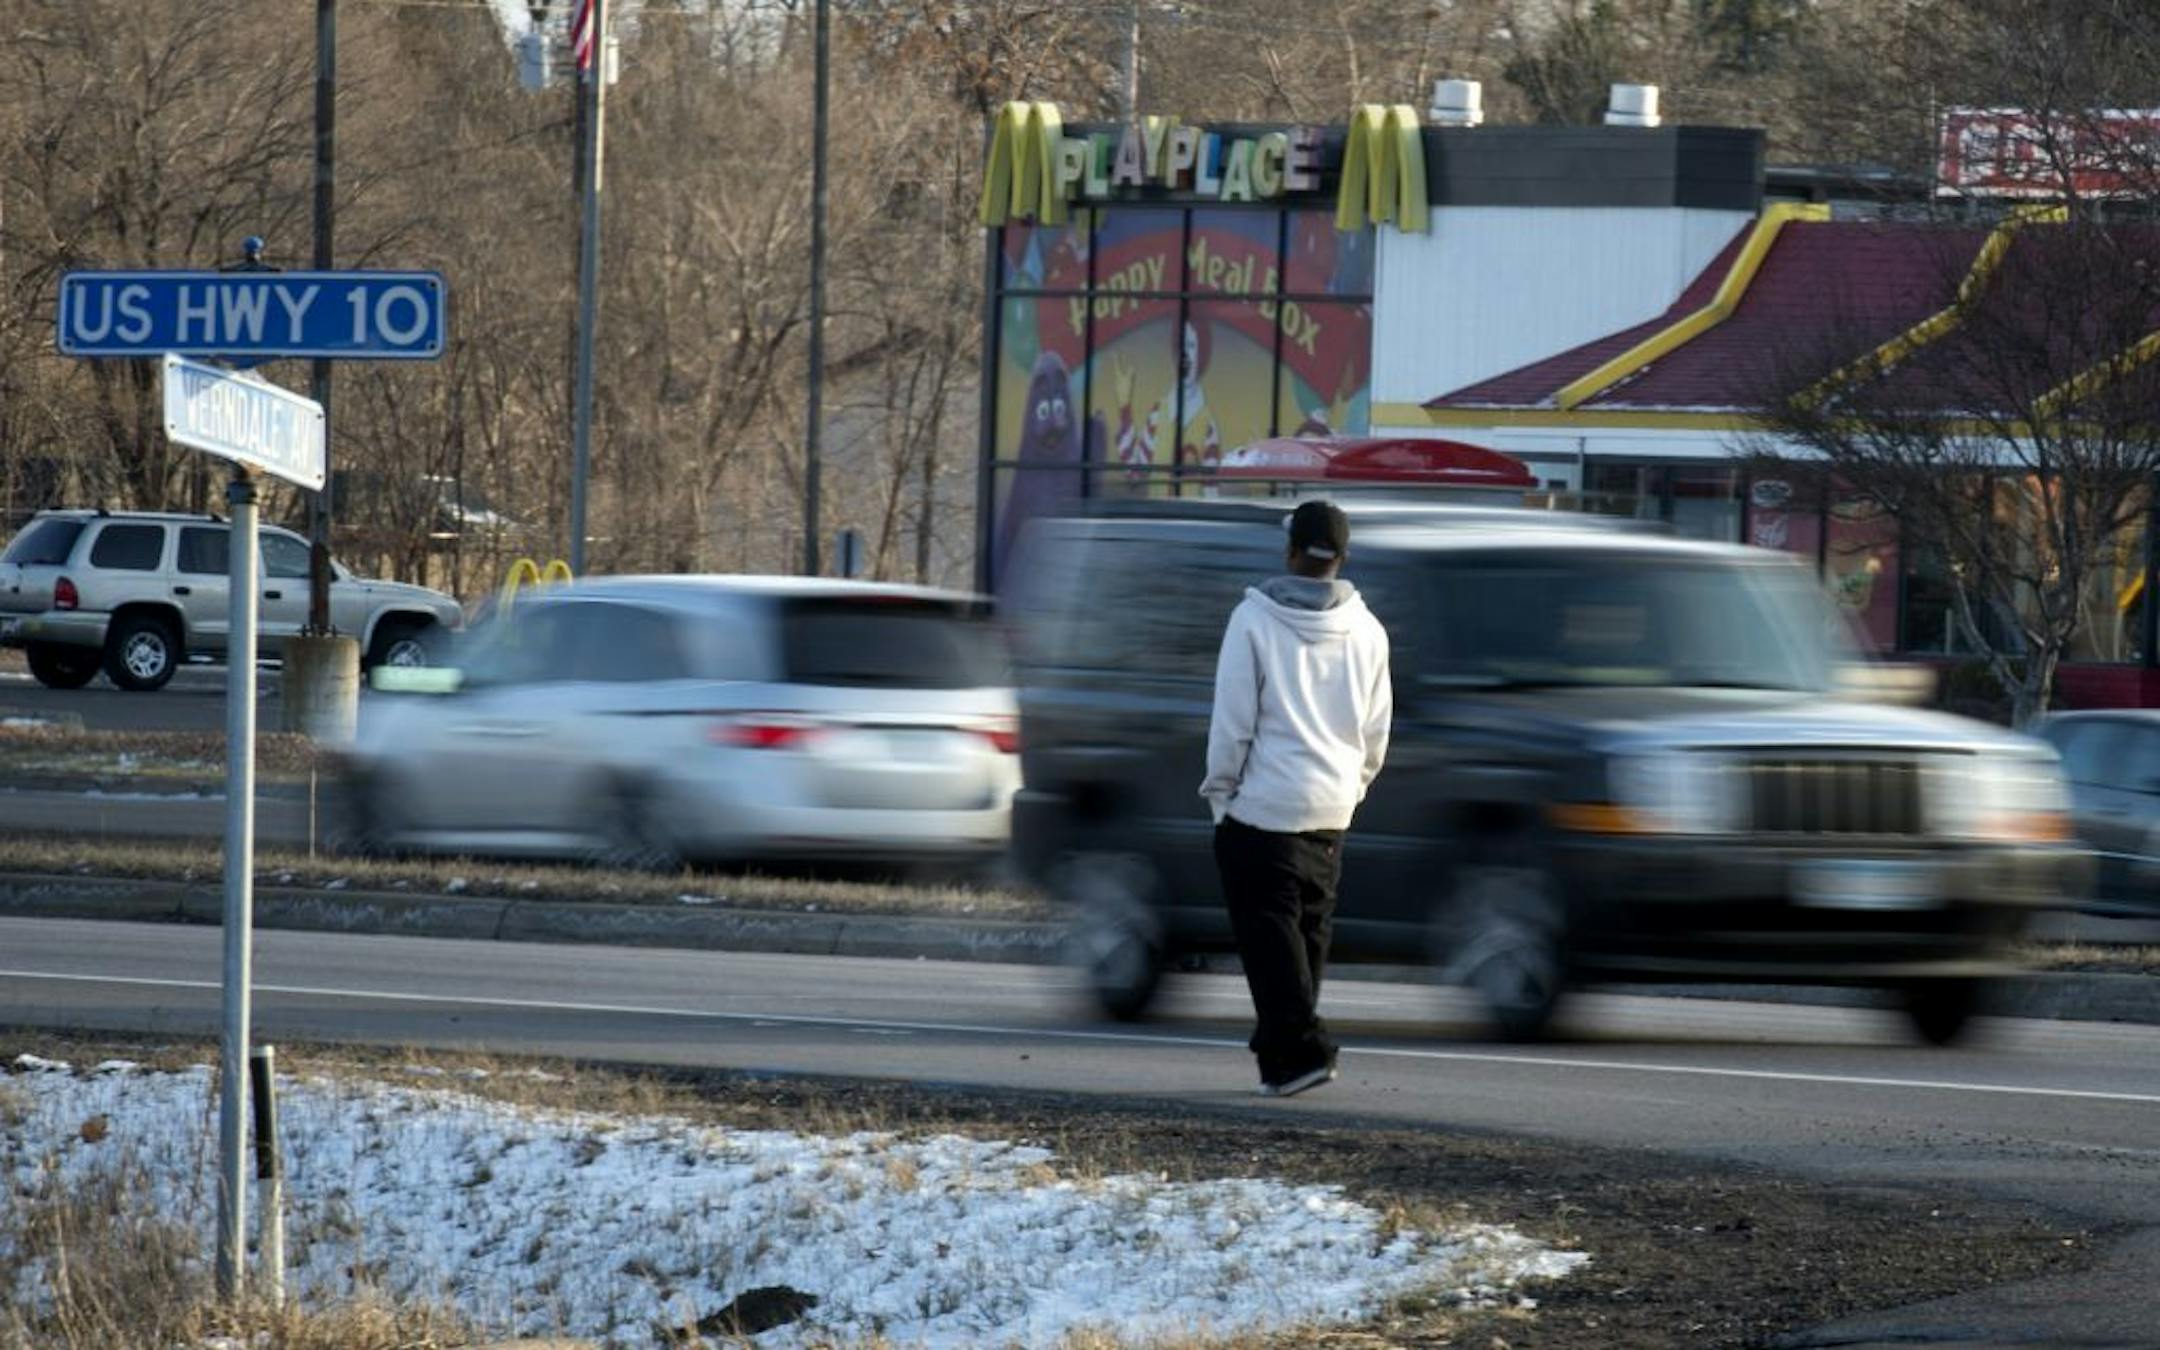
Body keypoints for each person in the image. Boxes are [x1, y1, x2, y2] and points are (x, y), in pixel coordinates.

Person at [1199, 500, 1392, 1096]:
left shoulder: (1252, 621)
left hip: (1264, 804)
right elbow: (1375, 729)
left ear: (1290, 552)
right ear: (1343, 557)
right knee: (1307, 933)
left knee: (1269, 936)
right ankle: (1280, 1061)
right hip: (1332, 804)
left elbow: (1234, 721)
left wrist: (1221, 794)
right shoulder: (1368, 629)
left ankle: (1304, 1049)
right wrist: (1353, 789)